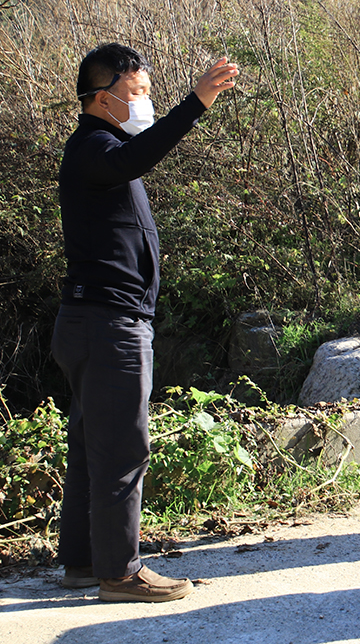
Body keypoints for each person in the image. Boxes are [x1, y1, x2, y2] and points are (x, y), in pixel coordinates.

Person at [52, 43, 238, 602]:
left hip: (95, 321)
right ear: (102, 97)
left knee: (92, 444)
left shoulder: (100, 149)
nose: (145, 104)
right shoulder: (94, 148)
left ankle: (84, 563)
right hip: (108, 326)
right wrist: (196, 103)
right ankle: (121, 573)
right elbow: (133, 161)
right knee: (123, 450)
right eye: (137, 94)